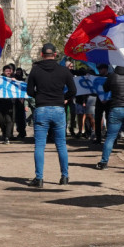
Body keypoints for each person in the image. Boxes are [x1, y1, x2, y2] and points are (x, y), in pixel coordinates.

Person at [26, 43, 76, 186]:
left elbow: (30, 92)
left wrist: (40, 96)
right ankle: (65, 177)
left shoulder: (35, 71)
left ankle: (39, 178)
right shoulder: (64, 71)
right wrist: (64, 98)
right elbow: (73, 90)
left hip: (41, 109)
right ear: (55, 55)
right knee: (61, 144)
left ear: (42, 55)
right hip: (59, 108)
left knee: (40, 145)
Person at [0, 63, 17, 143]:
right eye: (6, 70)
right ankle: (5, 132)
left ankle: (7, 137)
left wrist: (15, 82)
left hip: (9, 102)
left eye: (9, 71)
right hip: (0, 102)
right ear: (3, 71)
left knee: (9, 120)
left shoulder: (13, 79)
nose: (8, 72)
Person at [92, 63, 110, 145]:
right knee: (97, 119)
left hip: (109, 101)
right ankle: (98, 138)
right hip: (99, 100)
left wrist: (107, 98)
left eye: (101, 69)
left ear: (105, 69)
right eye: (98, 69)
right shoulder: (97, 77)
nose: (99, 71)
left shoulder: (111, 77)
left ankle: (111, 138)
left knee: (109, 119)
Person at [14, 66, 28, 139]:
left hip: (22, 101)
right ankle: (20, 130)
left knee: (22, 118)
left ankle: (22, 131)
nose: (18, 73)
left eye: (20, 72)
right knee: (17, 118)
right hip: (15, 101)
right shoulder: (13, 80)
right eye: (17, 72)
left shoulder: (24, 80)